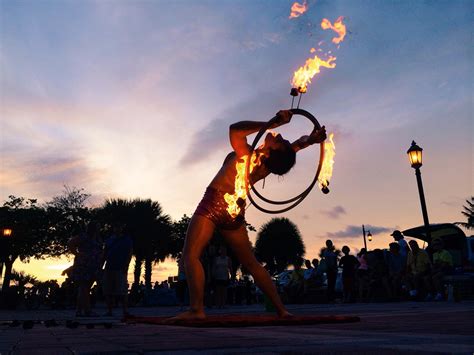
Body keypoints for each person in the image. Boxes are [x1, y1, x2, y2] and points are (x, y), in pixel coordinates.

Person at [169, 110, 327, 321]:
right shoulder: (268, 164)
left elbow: (235, 130)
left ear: (271, 152)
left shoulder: (248, 155)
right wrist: (311, 140)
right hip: (234, 213)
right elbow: (295, 146)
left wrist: (273, 123)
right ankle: (281, 310)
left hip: (214, 203)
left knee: (190, 255)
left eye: (280, 140)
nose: (279, 136)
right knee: (251, 263)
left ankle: (197, 310)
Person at [68, 221, 103, 317]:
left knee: (85, 288)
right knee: (84, 287)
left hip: (93, 266)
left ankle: (79, 310)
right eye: (98, 227)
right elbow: (71, 243)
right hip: (84, 265)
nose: (99, 228)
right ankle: (87, 310)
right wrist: (77, 254)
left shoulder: (98, 238)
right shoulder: (84, 236)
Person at [102, 224, 133, 317]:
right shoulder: (109, 240)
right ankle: (109, 311)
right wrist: (101, 265)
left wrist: (126, 265)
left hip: (121, 268)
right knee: (108, 291)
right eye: (116, 226)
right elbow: (105, 253)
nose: (117, 228)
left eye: (119, 226)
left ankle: (125, 311)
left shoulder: (127, 240)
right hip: (109, 267)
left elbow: (130, 253)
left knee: (122, 291)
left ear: (122, 228)